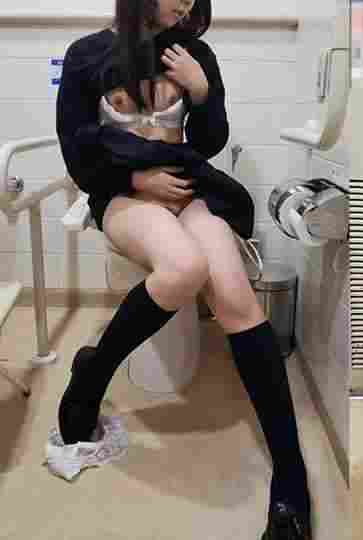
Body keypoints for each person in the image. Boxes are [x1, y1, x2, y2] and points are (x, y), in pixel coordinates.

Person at [47, 1, 311, 537]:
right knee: (184, 267)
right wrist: (136, 179)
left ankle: (291, 476)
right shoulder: (86, 56)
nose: (188, 2)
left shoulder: (195, 55)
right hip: (124, 196)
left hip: (187, 190)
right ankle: (92, 375)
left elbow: (209, 142)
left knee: (237, 297)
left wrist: (203, 92)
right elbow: (77, 153)